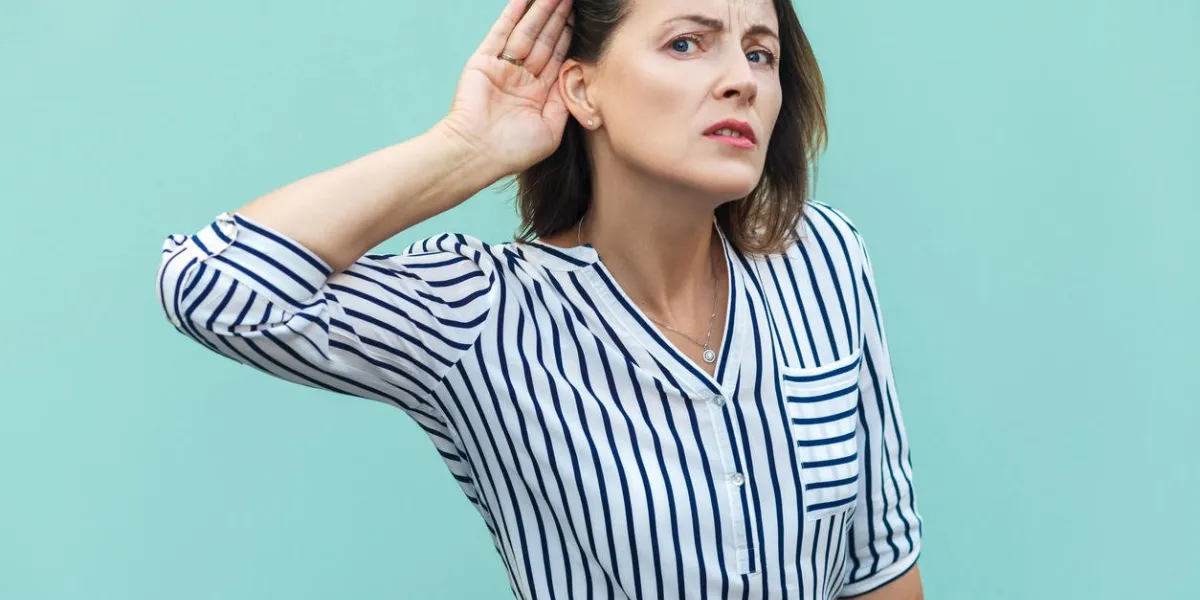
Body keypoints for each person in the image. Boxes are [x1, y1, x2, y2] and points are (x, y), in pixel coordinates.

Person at [155, 0, 923, 597]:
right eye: (686, 43)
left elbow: (879, 563)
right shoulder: (481, 315)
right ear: (582, 90)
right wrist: (466, 147)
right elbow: (211, 286)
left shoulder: (821, 258)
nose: (742, 80)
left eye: (761, 51)